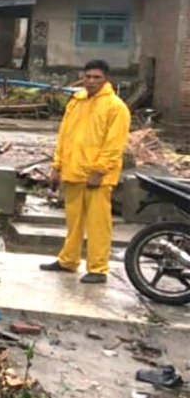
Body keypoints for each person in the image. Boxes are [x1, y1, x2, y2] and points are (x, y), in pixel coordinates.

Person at [41, 60, 130, 284]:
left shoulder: (115, 107)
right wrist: (57, 166)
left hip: (97, 177)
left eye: (96, 77)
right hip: (73, 171)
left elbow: (114, 145)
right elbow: (64, 136)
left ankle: (98, 268)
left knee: (98, 225)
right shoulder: (76, 101)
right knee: (73, 222)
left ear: (106, 79)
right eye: (87, 76)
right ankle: (68, 260)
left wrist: (99, 171)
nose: (91, 81)